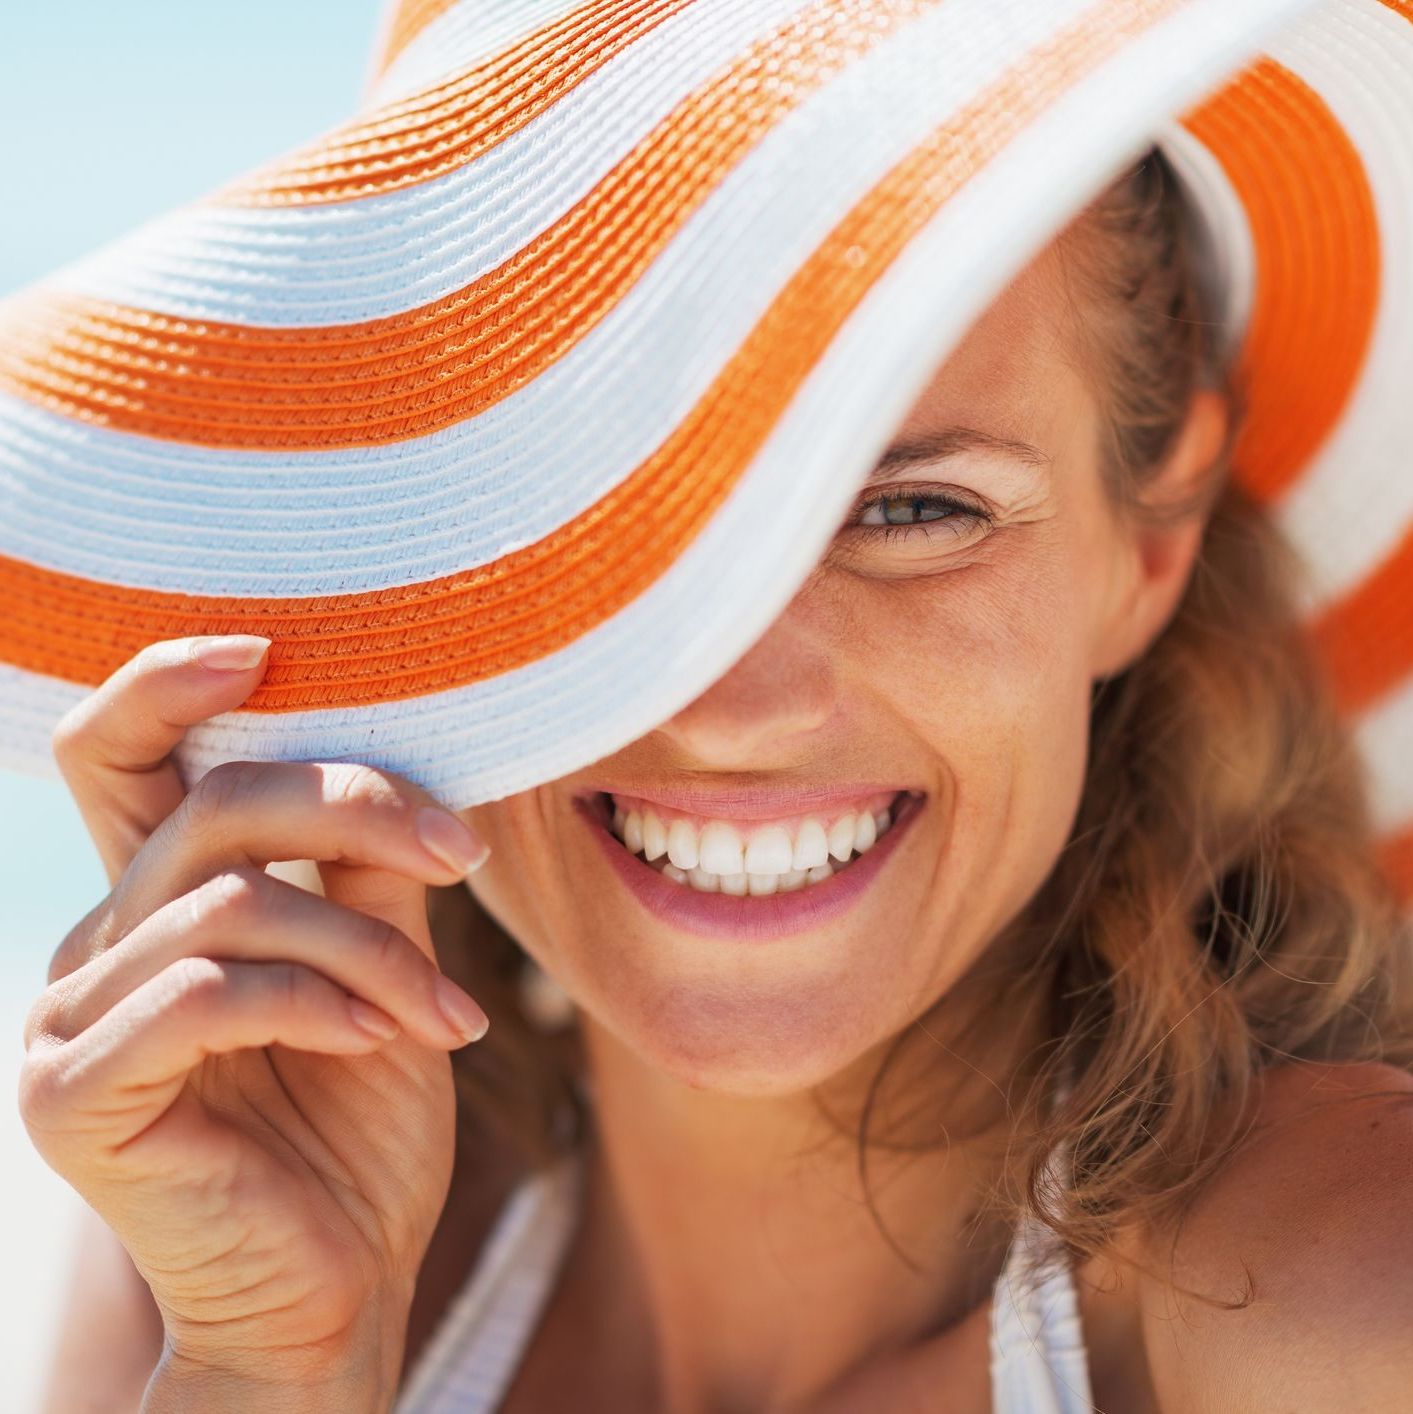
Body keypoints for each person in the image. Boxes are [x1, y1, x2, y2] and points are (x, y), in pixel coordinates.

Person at [21, 142, 1413, 1414]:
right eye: (601, 519)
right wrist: (274, 1371)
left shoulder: (1336, 1290)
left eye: (914, 509)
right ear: (420, 576)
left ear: (1147, 541)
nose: (734, 709)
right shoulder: (224, 1235)